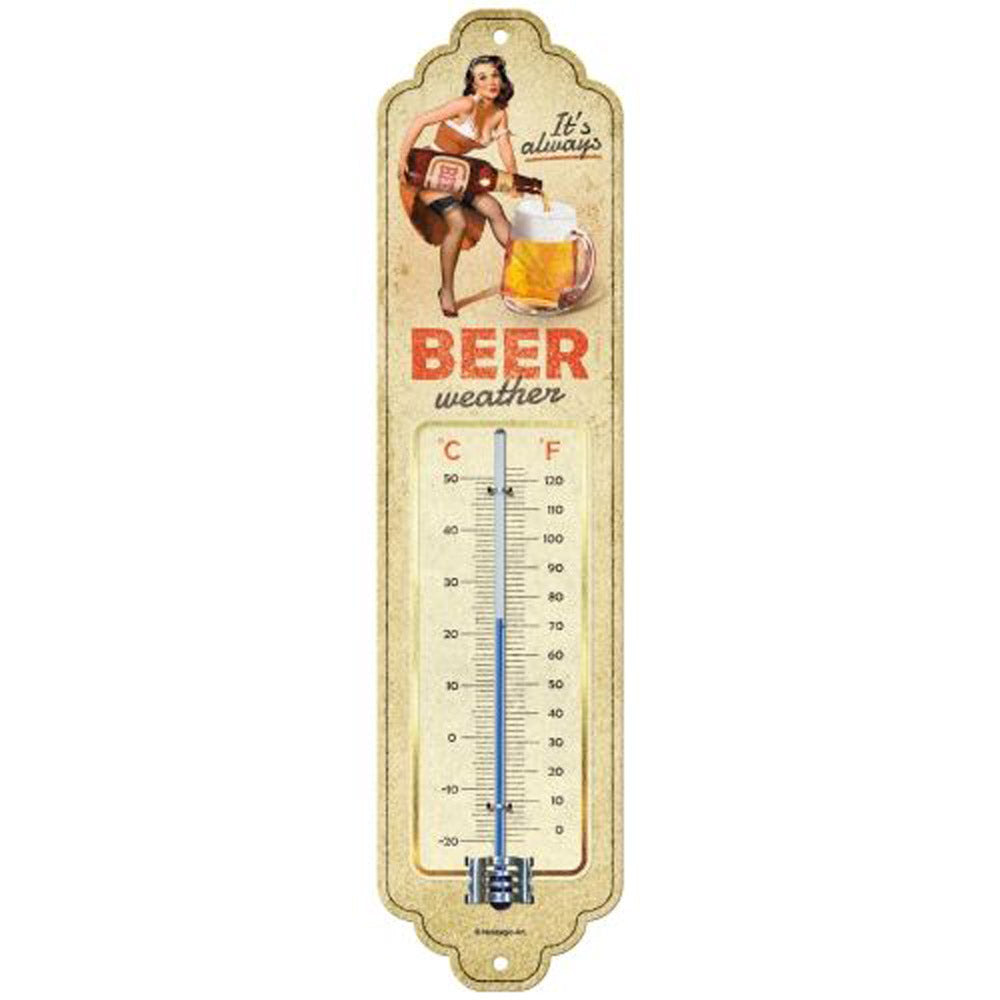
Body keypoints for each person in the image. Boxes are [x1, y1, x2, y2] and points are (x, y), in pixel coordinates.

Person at [398, 55, 518, 317]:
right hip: (431, 171)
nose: (491, 82)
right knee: (457, 221)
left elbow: (505, 147)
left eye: (495, 75)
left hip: (463, 175)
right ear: (473, 84)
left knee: (495, 210)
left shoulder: (500, 114)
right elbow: (420, 120)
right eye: (482, 77)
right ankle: (447, 291)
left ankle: (525, 270)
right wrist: (402, 158)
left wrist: (513, 178)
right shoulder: (465, 104)